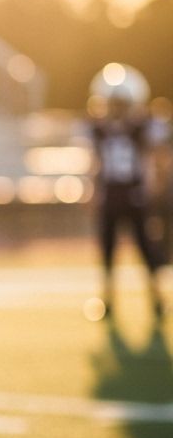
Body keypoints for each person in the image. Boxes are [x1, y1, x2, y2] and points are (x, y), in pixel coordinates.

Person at [84, 63, 165, 319]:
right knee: (109, 250)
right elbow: (95, 164)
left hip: (131, 194)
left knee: (144, 248)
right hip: (117, 194)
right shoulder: (107, 129)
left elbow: (154, 159)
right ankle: (112, 300)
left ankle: (155, 298)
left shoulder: (139, 128)